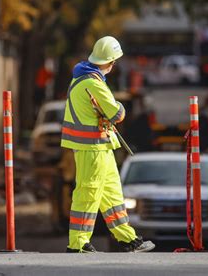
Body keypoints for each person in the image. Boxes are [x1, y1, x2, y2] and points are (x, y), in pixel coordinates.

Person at [61, 36, 155, 253]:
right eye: (114, 61)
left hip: (101, 146)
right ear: (110, 61)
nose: (114, 65)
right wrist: (117, 107)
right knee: (88, 192)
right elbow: (118, 113)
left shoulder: (83, 78)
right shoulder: (92, 82)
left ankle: (127, 238)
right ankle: (78, 243)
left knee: (111, 194)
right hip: (91, 148)